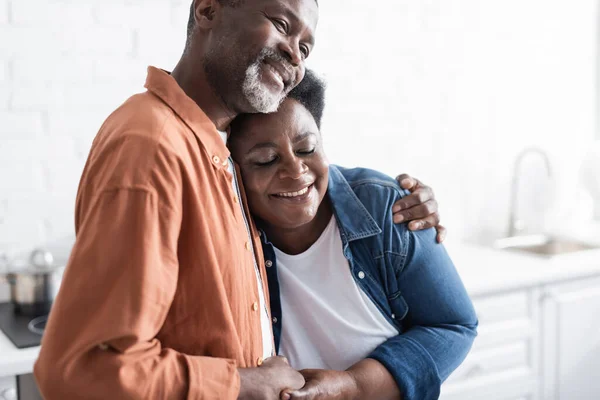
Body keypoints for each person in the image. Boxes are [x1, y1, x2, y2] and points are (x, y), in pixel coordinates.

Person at [33, 1, 445, 399]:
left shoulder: (219, 155)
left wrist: (396, 198)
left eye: (305, 47)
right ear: (209, 9)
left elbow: (305, 179)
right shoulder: (152, 145)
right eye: (282, 24)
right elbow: (84, 368)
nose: (295, 58)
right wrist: (242, 384)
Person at [227, 70, 478, 400]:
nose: (295, 170)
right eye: (266, 160)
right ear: (231, 167)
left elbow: (453, 326)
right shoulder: (225, 229)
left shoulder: (386, 206)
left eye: (307, 149)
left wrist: (353, 386)